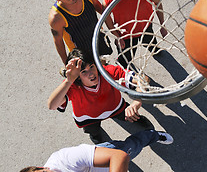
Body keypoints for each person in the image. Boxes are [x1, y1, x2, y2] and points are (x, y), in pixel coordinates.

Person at [48, 48, 152, 144]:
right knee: (93, 130)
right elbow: (52, 105)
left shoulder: (107, 72)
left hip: (115, 107)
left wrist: (136, 102)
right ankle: (95, 135)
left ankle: (137, 119)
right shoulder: (72, 86)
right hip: (88, 118)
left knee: (130, 114)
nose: (91, 74)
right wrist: (68, 80)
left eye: (92, 67)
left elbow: (143, 79)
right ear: (77, 77)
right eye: (84, 72)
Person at [103, 0, 168, 68]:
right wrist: (117, 36)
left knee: (151, 43)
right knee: (125, 59)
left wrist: (162, 25)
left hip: (146, 26)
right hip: (126, 35)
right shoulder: (110, 0)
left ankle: (154, 49)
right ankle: (123, 66)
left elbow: (158, 4)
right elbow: (107, 20)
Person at [19, 129, 173, 172]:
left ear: (43, 168)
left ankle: (152, 135)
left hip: (110, 154)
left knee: (131, 147)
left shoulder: (65, 159)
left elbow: (118, 156)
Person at [46, 0, 114, 65]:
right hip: (81, 52)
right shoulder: (56, 18)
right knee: (91, 76)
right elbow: (58, 42)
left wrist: (115, 32)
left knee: (104, 66)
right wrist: (66, 63)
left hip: (98, 38)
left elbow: (102, 11)